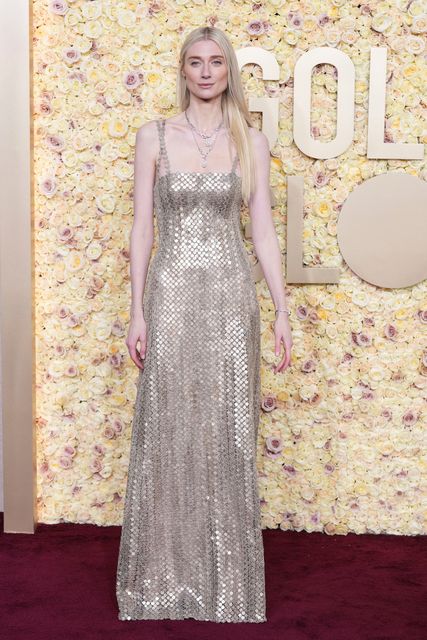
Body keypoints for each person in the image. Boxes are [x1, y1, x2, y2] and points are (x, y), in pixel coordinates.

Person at [116, 25, 292, 624]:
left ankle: (226, 585)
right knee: (168, 427)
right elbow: (142, 229)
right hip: (170, 296)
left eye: (217, 62)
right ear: (184, 70)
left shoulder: (252, 141)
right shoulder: (154, 137)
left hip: (228, 299)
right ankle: (163, 580)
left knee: (229, 434)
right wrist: (136, 309)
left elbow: (262, 232)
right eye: (196, 62)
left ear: (229, 70)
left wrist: (281, 311)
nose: (207, 72)